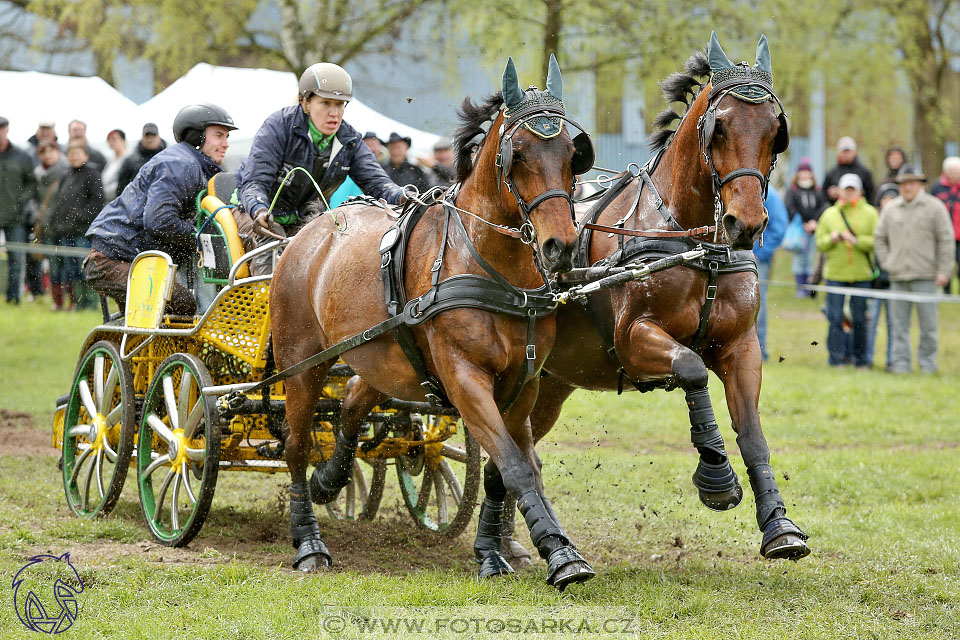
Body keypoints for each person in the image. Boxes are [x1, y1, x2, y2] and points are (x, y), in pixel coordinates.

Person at [235, 63, 404, 275]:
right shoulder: (278, 126)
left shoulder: (348, 139)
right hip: (254, 213)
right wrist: (259, 210)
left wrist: (402, 196)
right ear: (305, 103)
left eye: (340, 104)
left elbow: (379, 184)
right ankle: (266, 301)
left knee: (329, 261)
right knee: (273, 249)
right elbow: (254, 183)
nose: (334, 113)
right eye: (325, 103)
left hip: (304, 216)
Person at [84, 103, 236, 316]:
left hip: (128, 257)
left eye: (226, 137)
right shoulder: (180, 165)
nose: (226, 143)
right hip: (110, 260)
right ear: (197, 137)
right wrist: (200, 239)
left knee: (166, 313)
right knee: (182, 304)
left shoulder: (192, 164)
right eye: (219, 136)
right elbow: (160, 221)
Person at [874, 166, 954, 373]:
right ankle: (901, 365)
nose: (907, 187)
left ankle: (928, 364)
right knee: (898, 326)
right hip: (898, 276)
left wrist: (944, 271)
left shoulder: (935, 208)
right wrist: (887, 262)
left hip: (926, 276)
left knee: (928, 326)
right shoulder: (891, 209)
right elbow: (879, 239)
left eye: (911, 182)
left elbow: (946, 241)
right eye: (903, 183)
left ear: (921, 184)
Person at [814, 173, 878, 368]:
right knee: (835, 318)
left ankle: (861, 360)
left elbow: (877, 241)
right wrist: (831, 239)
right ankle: (836, 359)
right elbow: (820, 243)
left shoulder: (870, 213)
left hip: (861, 274)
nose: (849, 193)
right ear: (839, 191)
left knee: (859, 319)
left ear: (859, 191)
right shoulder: (829, 214)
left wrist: (857, 241)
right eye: (846, 189)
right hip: (835, 274)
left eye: (852, 189)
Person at [47, 143, 104, 311]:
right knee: (71, 270)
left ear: (86, 156)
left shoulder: (93, 174)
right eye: (71, 153)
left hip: (83, 232)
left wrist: (79, 217)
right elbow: (59, 202)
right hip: (65, 231)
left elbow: (97, 202)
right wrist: (56, 223)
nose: (75, 156)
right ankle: (78, 303)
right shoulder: (66, 174)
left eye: (78, 153)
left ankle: (90, 304)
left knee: (85, 268)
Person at [0, 116, 38, 305]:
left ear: (7, 130)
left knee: (16, 259)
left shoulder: (22, 157)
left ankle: (13, 298)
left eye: (1, 128)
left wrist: (21, 201)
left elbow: (32, 184)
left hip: (15, 217)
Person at [865, 183, 900, 369]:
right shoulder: (874, 220)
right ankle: (868, 359)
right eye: (886, 199)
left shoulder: (902, 222)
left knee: (894, 324)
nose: (889, 203)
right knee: (872, 324)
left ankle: (892, 360)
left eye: (893, 199)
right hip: (875, 282)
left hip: (894, 280)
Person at [753, 188, 788, 361]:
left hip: (758, 260)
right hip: (732, 257)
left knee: (757, 304)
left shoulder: (770, 195)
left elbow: (779, 227)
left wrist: (759, 252)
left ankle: (759, 350)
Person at [784, 157, 826, 297]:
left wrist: (814, 221)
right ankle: (800, 287)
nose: (805, 175)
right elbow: (790, 207)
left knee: (810, 259)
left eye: (807, 172)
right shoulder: (793, 191)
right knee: (799, 259)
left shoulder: (817, 190)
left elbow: (822, 206)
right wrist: (803, 223)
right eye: (802, 172)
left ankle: (809, 287)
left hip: (814, 230)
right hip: (800, 230)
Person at [929, 156, 960, 294]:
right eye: (952, 171)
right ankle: (946, 291)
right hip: (943, 233)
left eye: (957, 172)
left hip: (959, 233)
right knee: (945, 262)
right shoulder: (937, 186)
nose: (954, 174)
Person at [116, 123, 167, 196]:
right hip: (137, 203)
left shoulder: (168, 158)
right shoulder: (130, 161)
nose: (150, 139)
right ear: (142, 137)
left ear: (159, 137)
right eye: (147, 136)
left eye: (153, 135)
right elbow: (121, 188)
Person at [823, 137, 875, 205]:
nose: (846, 154)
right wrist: (830, 195)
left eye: (848, 151)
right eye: (844, 151)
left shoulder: (864, 172)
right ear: (839, 153)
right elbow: (823, 194)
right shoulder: (831, 173)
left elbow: (871, 194)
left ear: (855, 152)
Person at [101, 129, 128, 200]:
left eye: (114, 139)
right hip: (107, 199)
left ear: (123, 141)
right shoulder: (110, 160)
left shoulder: (129, 160)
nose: (111, 142)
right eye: (109, 139)